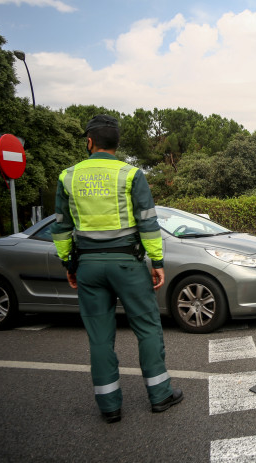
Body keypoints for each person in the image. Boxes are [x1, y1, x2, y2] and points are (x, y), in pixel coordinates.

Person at [51, 115, 183, 424]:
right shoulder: (130, 174)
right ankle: (160, 395)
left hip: (88, 266)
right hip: (128, 264)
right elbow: (149, 223)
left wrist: (69, 263)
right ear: (117, 144)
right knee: (147, 328)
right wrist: (157, 262)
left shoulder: (67, 177)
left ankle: (109, 406)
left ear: (89, 141)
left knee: (99, 337)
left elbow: (60, 228)